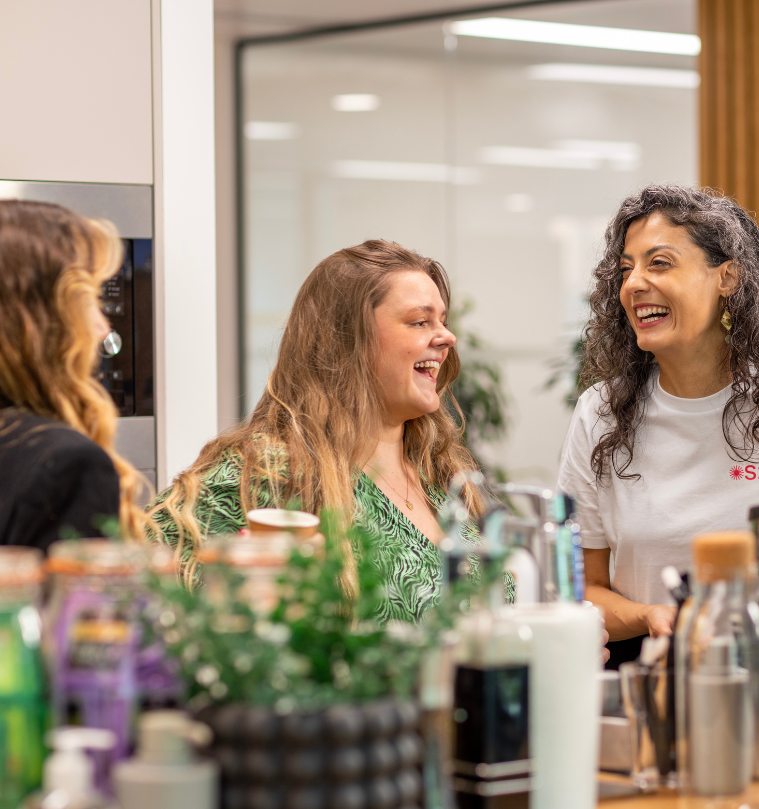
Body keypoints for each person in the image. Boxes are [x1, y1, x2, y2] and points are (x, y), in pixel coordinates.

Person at [557, 185, 759, 661]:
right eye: (626, 269)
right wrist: (651, 615)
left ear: (727, 277)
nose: (634, 284)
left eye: (659, 263)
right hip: (654, 674)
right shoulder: (601, 413)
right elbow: (582, 587)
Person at [151, 240, 499, 622]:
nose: (446, 337)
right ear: (346, 340)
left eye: (443, 321)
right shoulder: (267, 473)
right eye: (420, 322)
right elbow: (147, 585)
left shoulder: (442, 473)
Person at [0, 200, 148, 549]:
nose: (103, 326)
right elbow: (82, 604)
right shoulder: (67, 463)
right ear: (40, 322)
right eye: (93, 300)